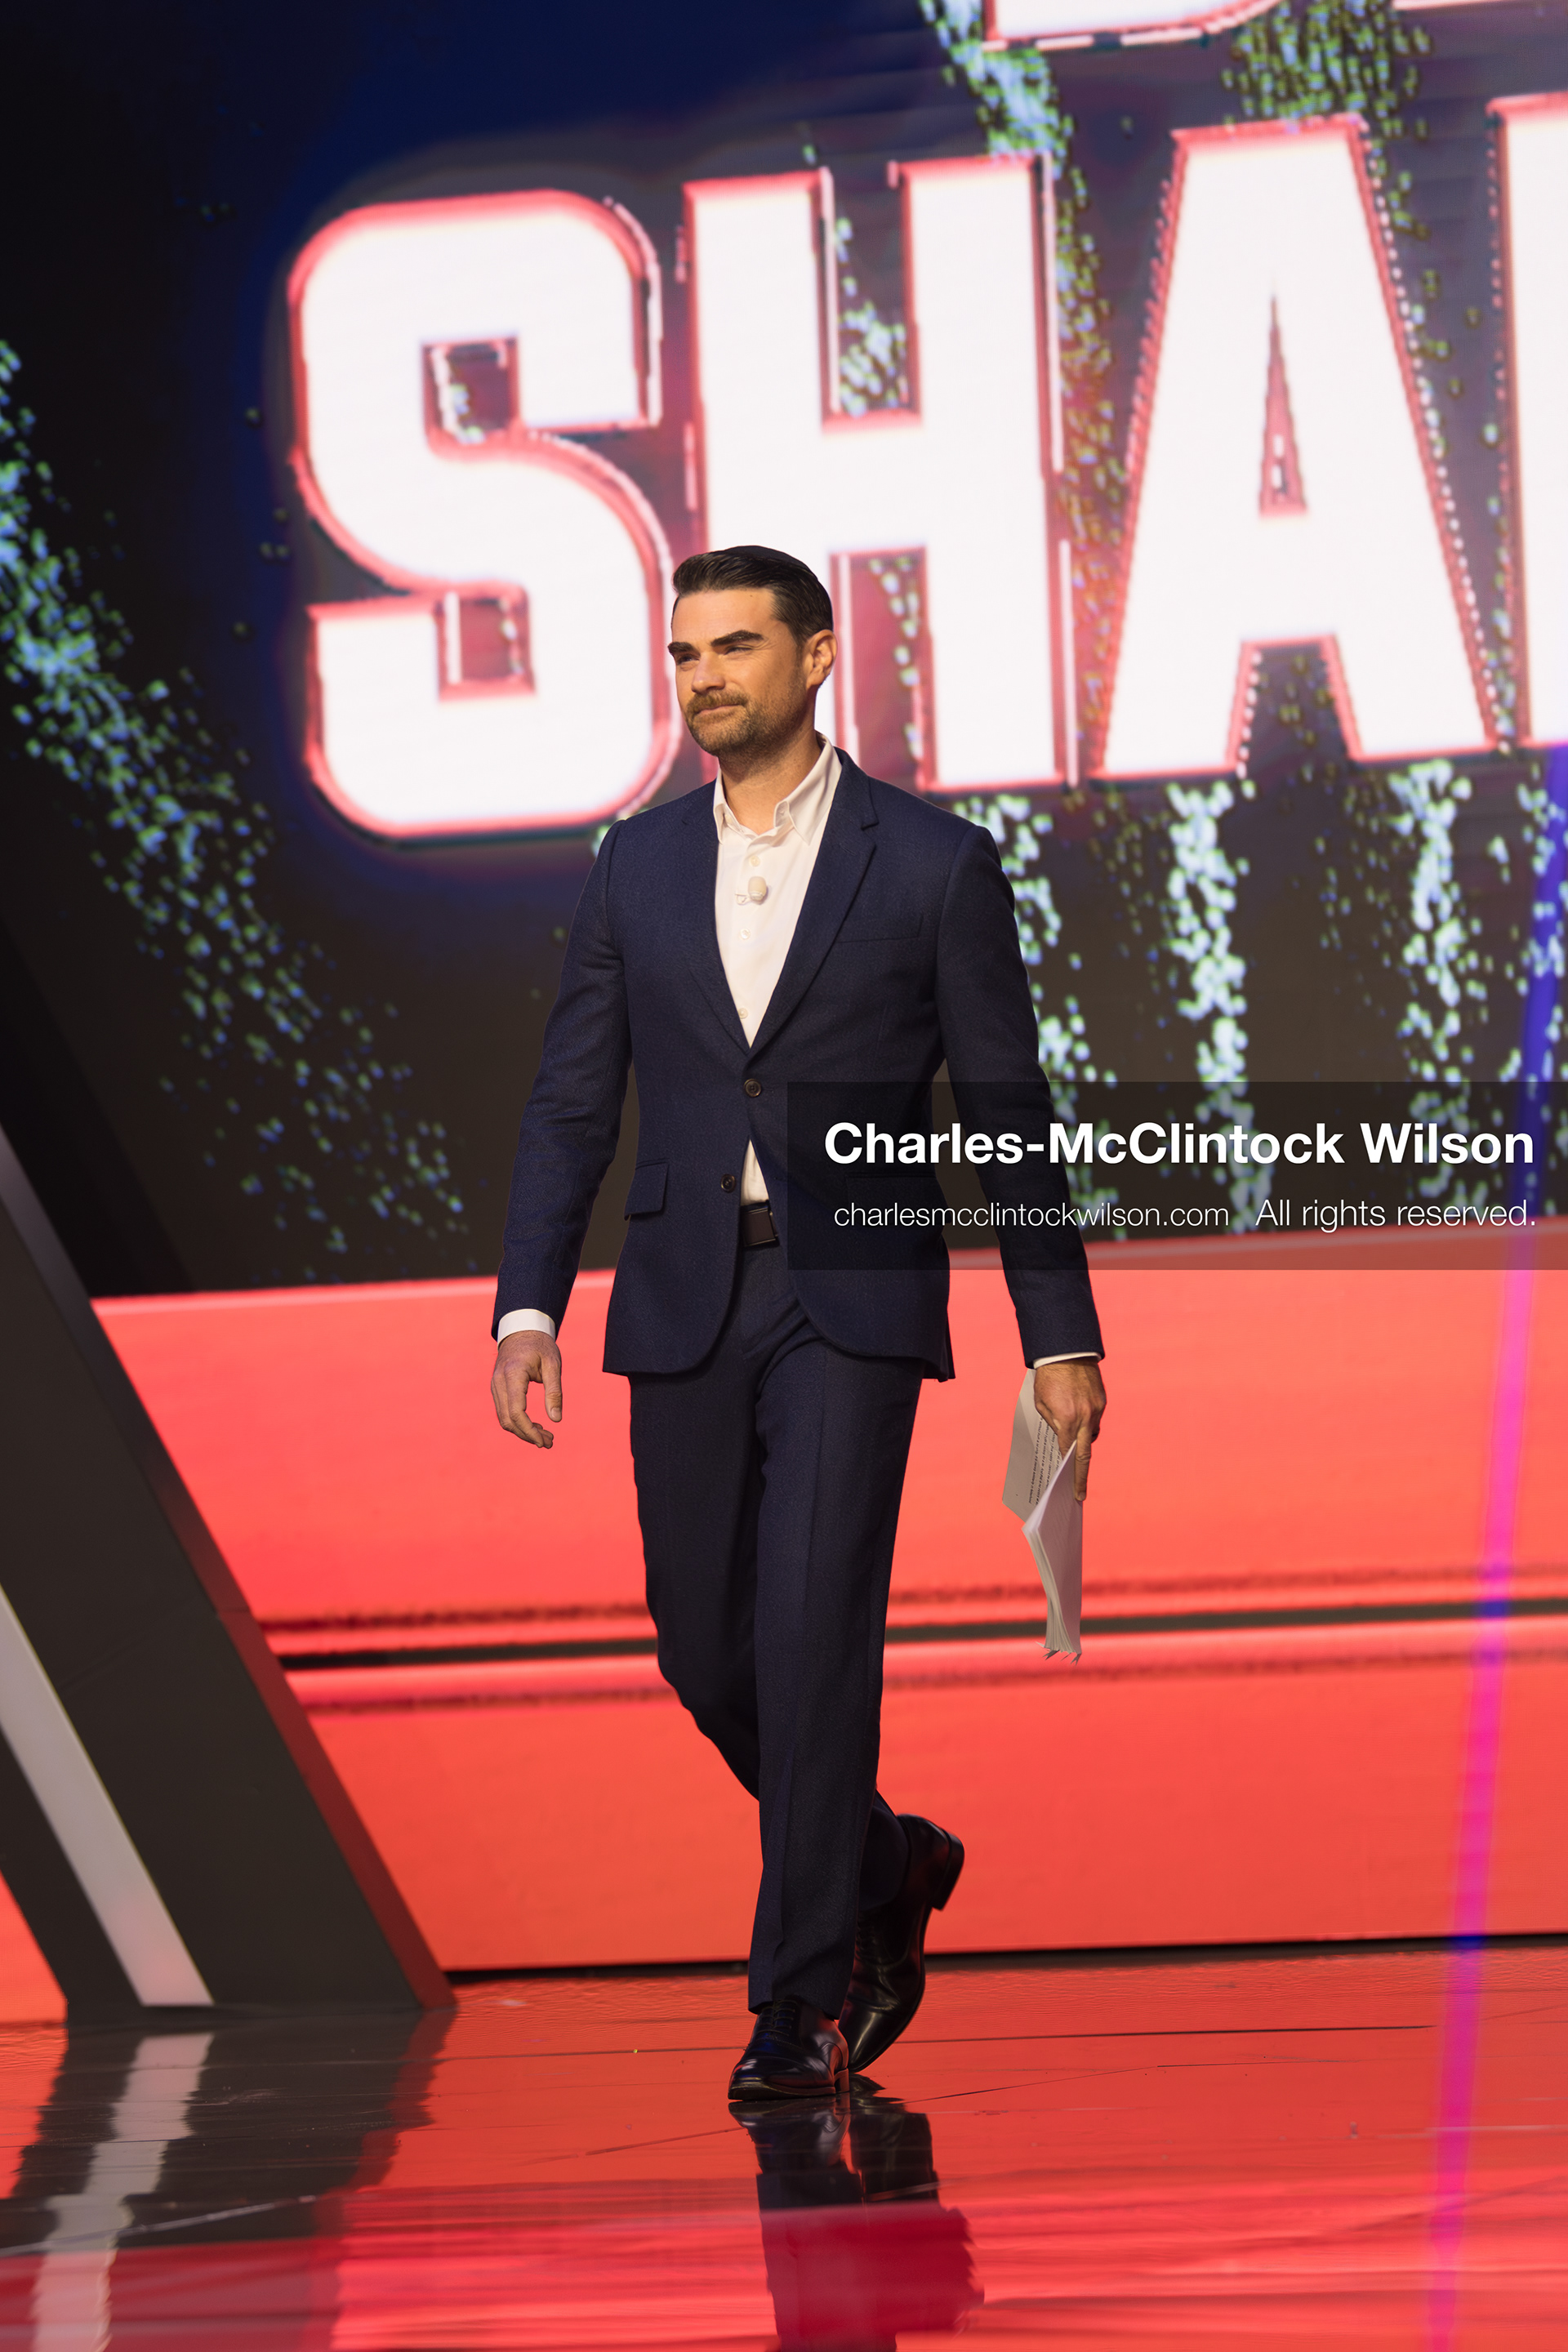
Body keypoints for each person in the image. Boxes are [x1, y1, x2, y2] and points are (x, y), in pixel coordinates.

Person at [490, 545, 1105, 2100]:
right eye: (687, 650)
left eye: (739, 646)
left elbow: (1004, 1112)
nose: (705, 675)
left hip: (856, 1296)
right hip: (686, 1294)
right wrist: (525, 1304)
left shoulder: (932, 864)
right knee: (705, 1648)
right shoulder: (631, 866)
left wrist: (1057, 1331)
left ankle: (799, 1999)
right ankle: (888, 1865)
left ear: (817, 658)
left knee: (815, 1630)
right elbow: (575, 1098)